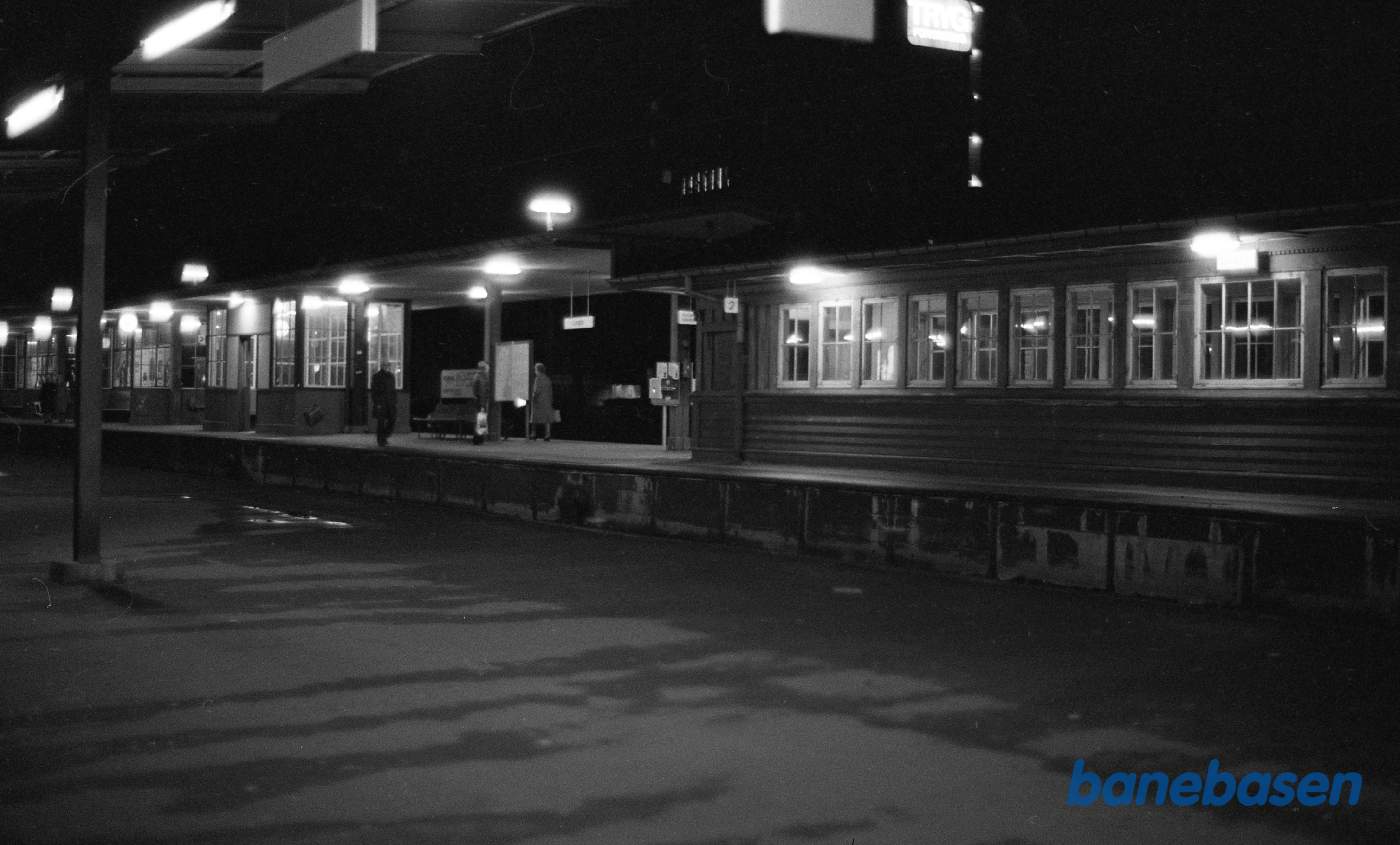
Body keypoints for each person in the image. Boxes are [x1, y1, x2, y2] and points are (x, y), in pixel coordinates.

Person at [370, 365, 397, 446]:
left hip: (388, 402)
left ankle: (383, 437)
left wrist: (394, 400)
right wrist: (377, 402)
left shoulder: (390, 376)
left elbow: (393, 389)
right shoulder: (377, 376)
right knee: (381, 422)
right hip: (382, 402)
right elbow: (374, 390)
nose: (387, 367)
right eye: (386, 365)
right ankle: (381, 439)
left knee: (391, 419)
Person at [528, 362, 554, 441]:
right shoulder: (547, 378)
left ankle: (534, 434)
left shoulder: (538, 378)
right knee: (547, 418)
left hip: (538, 401)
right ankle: (547, 434)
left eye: (535, 369)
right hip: (547, 401)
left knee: (534, 418)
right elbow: (550, 391)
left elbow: (536, 390)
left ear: (537, 370)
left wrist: (532, 397)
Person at [471, 360, 491, 445]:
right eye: (487, 368)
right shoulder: (483, 377)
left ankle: (478, 438)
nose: (488, 369)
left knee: (480, 419)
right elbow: (485, 390)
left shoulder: (477, 376)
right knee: (481, 419)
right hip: (482, 400)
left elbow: (475, 389)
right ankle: (478, 438)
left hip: (479, 399)